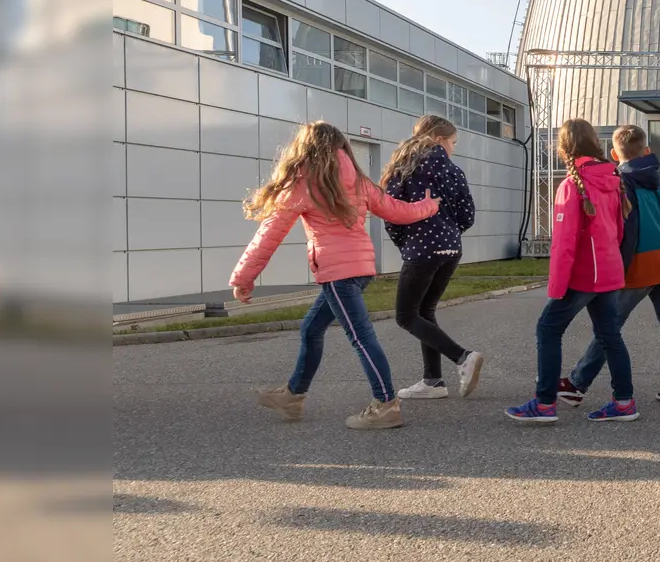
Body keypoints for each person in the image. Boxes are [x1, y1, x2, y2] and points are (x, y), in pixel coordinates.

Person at [231, 121, 440, 430]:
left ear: (304, 149)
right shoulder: (357, 179)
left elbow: (269, 234)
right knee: (311, 329)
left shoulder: (303, 182)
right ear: (343, 147)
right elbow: (395, 209)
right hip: (361, 270)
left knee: (361, 337)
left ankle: (386, 405)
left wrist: (244, 277)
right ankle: (293, 394)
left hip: (338, 275)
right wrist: (428, 206)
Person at [557, 124, 660, 406]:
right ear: (647, 151)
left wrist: (619, 269)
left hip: (639, 259)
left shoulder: (621, 181)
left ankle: (577, 383)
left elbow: (628, 228)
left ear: (613, 153)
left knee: (610, 325)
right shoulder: (655, 180)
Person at [505, 120, 639, 423]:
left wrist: (557, 286)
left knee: (548, 328)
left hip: (583, 273)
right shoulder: (612, 179)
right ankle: (624, 402)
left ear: (564, 147)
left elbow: (564, 244)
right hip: (608, 269)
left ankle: (544, 404)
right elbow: (619, 232)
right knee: (610, 336)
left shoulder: (572, 185)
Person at [381, 114, 484, 401]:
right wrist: (449, 233)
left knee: (405, 316)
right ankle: (433, 381)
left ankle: (462, 357)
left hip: (421, 249)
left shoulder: (404, 168)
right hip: (451, 249)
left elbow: (391, 213)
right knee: (424, 312)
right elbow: (467, 216)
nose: (453, 148)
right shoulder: (455, 171)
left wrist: (405, 242)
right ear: (438, 139)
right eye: (452, 142)